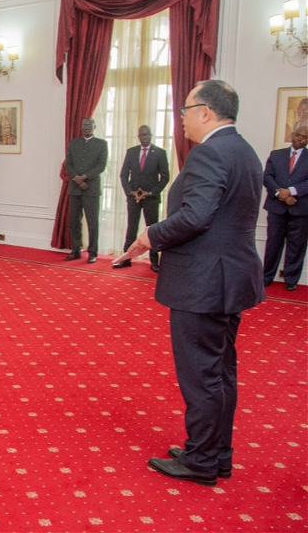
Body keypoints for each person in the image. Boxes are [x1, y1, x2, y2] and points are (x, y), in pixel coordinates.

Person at [130, 80, 265, 486]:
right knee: (221, 371)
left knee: (202, 375)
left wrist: (150, 236)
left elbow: (196, 216)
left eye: (185, 110)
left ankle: (201, 460)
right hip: (231, 278)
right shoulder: (244, 150)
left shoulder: (208, 152)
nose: (182, 118)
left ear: (205, 112)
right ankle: (216, 452)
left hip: (203, 282)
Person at [113, 125, 169, 272]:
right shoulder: (131, 152)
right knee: (131, 229)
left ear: (151, 135)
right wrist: (130, 192)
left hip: (151, 198)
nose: (145, 137)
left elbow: (165, 177)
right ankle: (126, 260)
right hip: (133, 198)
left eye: (147, 135)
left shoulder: (160, 153)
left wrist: (150, 193)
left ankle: (154, 262)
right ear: (138, 137)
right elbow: (123, 175)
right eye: (142, 135)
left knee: (152, 230)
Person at [262, 125, 308, 291]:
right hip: (276, 207)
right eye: (297, 135)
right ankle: (266, 277)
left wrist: (292, 191)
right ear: (292, 135)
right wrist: (280, 194)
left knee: (297, 246)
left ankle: (291, 279)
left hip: (301, 209)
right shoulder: (276, 155)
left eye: (304, 137)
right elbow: (267, 177)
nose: (299, 139)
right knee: (273, 244)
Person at [64, 117, 107, 263]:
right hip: (75, 188)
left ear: (94, 127)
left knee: (92, 222)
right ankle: (75, 250)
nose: (87, 127)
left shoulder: (101, 144)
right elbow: (68, 164)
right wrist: (76, 178)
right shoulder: (74, 143)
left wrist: (84, 177)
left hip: (91, 188)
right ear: (81, 127)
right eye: (84, 125)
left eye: (90, 125)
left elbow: (101, 166)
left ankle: (92, 252)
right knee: (74, 222)